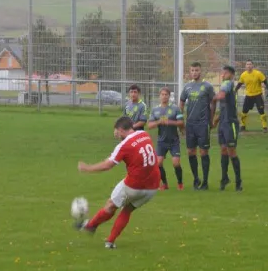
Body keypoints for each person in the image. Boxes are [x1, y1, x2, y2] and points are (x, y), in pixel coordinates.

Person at [76, 116, 161, 249]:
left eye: (115, 131)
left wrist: (87, 168)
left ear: (121, 130)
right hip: (153, 186)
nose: (115, 134)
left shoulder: (123, 145)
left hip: (134, 186)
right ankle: (110, 242)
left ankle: (91, 225)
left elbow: (108, 165)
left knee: (111, 205)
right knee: (127, 210)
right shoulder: (144, 134)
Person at [179, 62, 216, 190]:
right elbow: (182, 102)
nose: (194, 72)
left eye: (196, 70)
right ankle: (196, 179)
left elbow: (213, 103)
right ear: (190, 72)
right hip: (190, 124)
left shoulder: (207, 86)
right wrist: (181, 119)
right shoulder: (187, 87)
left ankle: (205, 182)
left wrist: (211, 120)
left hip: (203, 124)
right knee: (190, 151)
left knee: (203, 151)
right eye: (192, 70)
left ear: (201, 71)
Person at [148, 87, 184, 191]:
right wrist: (159, 122)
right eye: (162, 94)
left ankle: (180, 183)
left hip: (174, 141)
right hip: (161, 141)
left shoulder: (175, 108)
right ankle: (165, 184)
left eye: (166, 94)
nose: (164, 96)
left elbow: (181, 122)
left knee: (176, 163)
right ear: (159, 96)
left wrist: (170, 122)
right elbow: (149, 125)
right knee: (158, 163)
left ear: (169, 96)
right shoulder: (155, 110)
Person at [212, 65, 242, 191]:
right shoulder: (225, 86)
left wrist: (211, 98)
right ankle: (224, 178)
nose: (222, 75)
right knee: (223, 150)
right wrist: (216, 121)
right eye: (222, 73)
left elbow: (221, 96)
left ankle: (238, 182)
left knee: (231, 151)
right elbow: (223, 107)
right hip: (223, 123)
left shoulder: (228, 84)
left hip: (230, 123)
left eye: (225, 73)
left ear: (231, 75)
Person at [235, 60, 268, 133]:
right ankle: (243, 126)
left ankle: (265, 127)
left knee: (261, 111)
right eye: (247, 64)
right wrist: (234, 91)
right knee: (244, 111)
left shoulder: (258, 73)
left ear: (253, 65)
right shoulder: (243, 75)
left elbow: (266, 82)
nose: (249, 66)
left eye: (250, 64)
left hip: (257, 95)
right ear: (245, 66)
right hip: (248, 96)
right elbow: (239, 84)